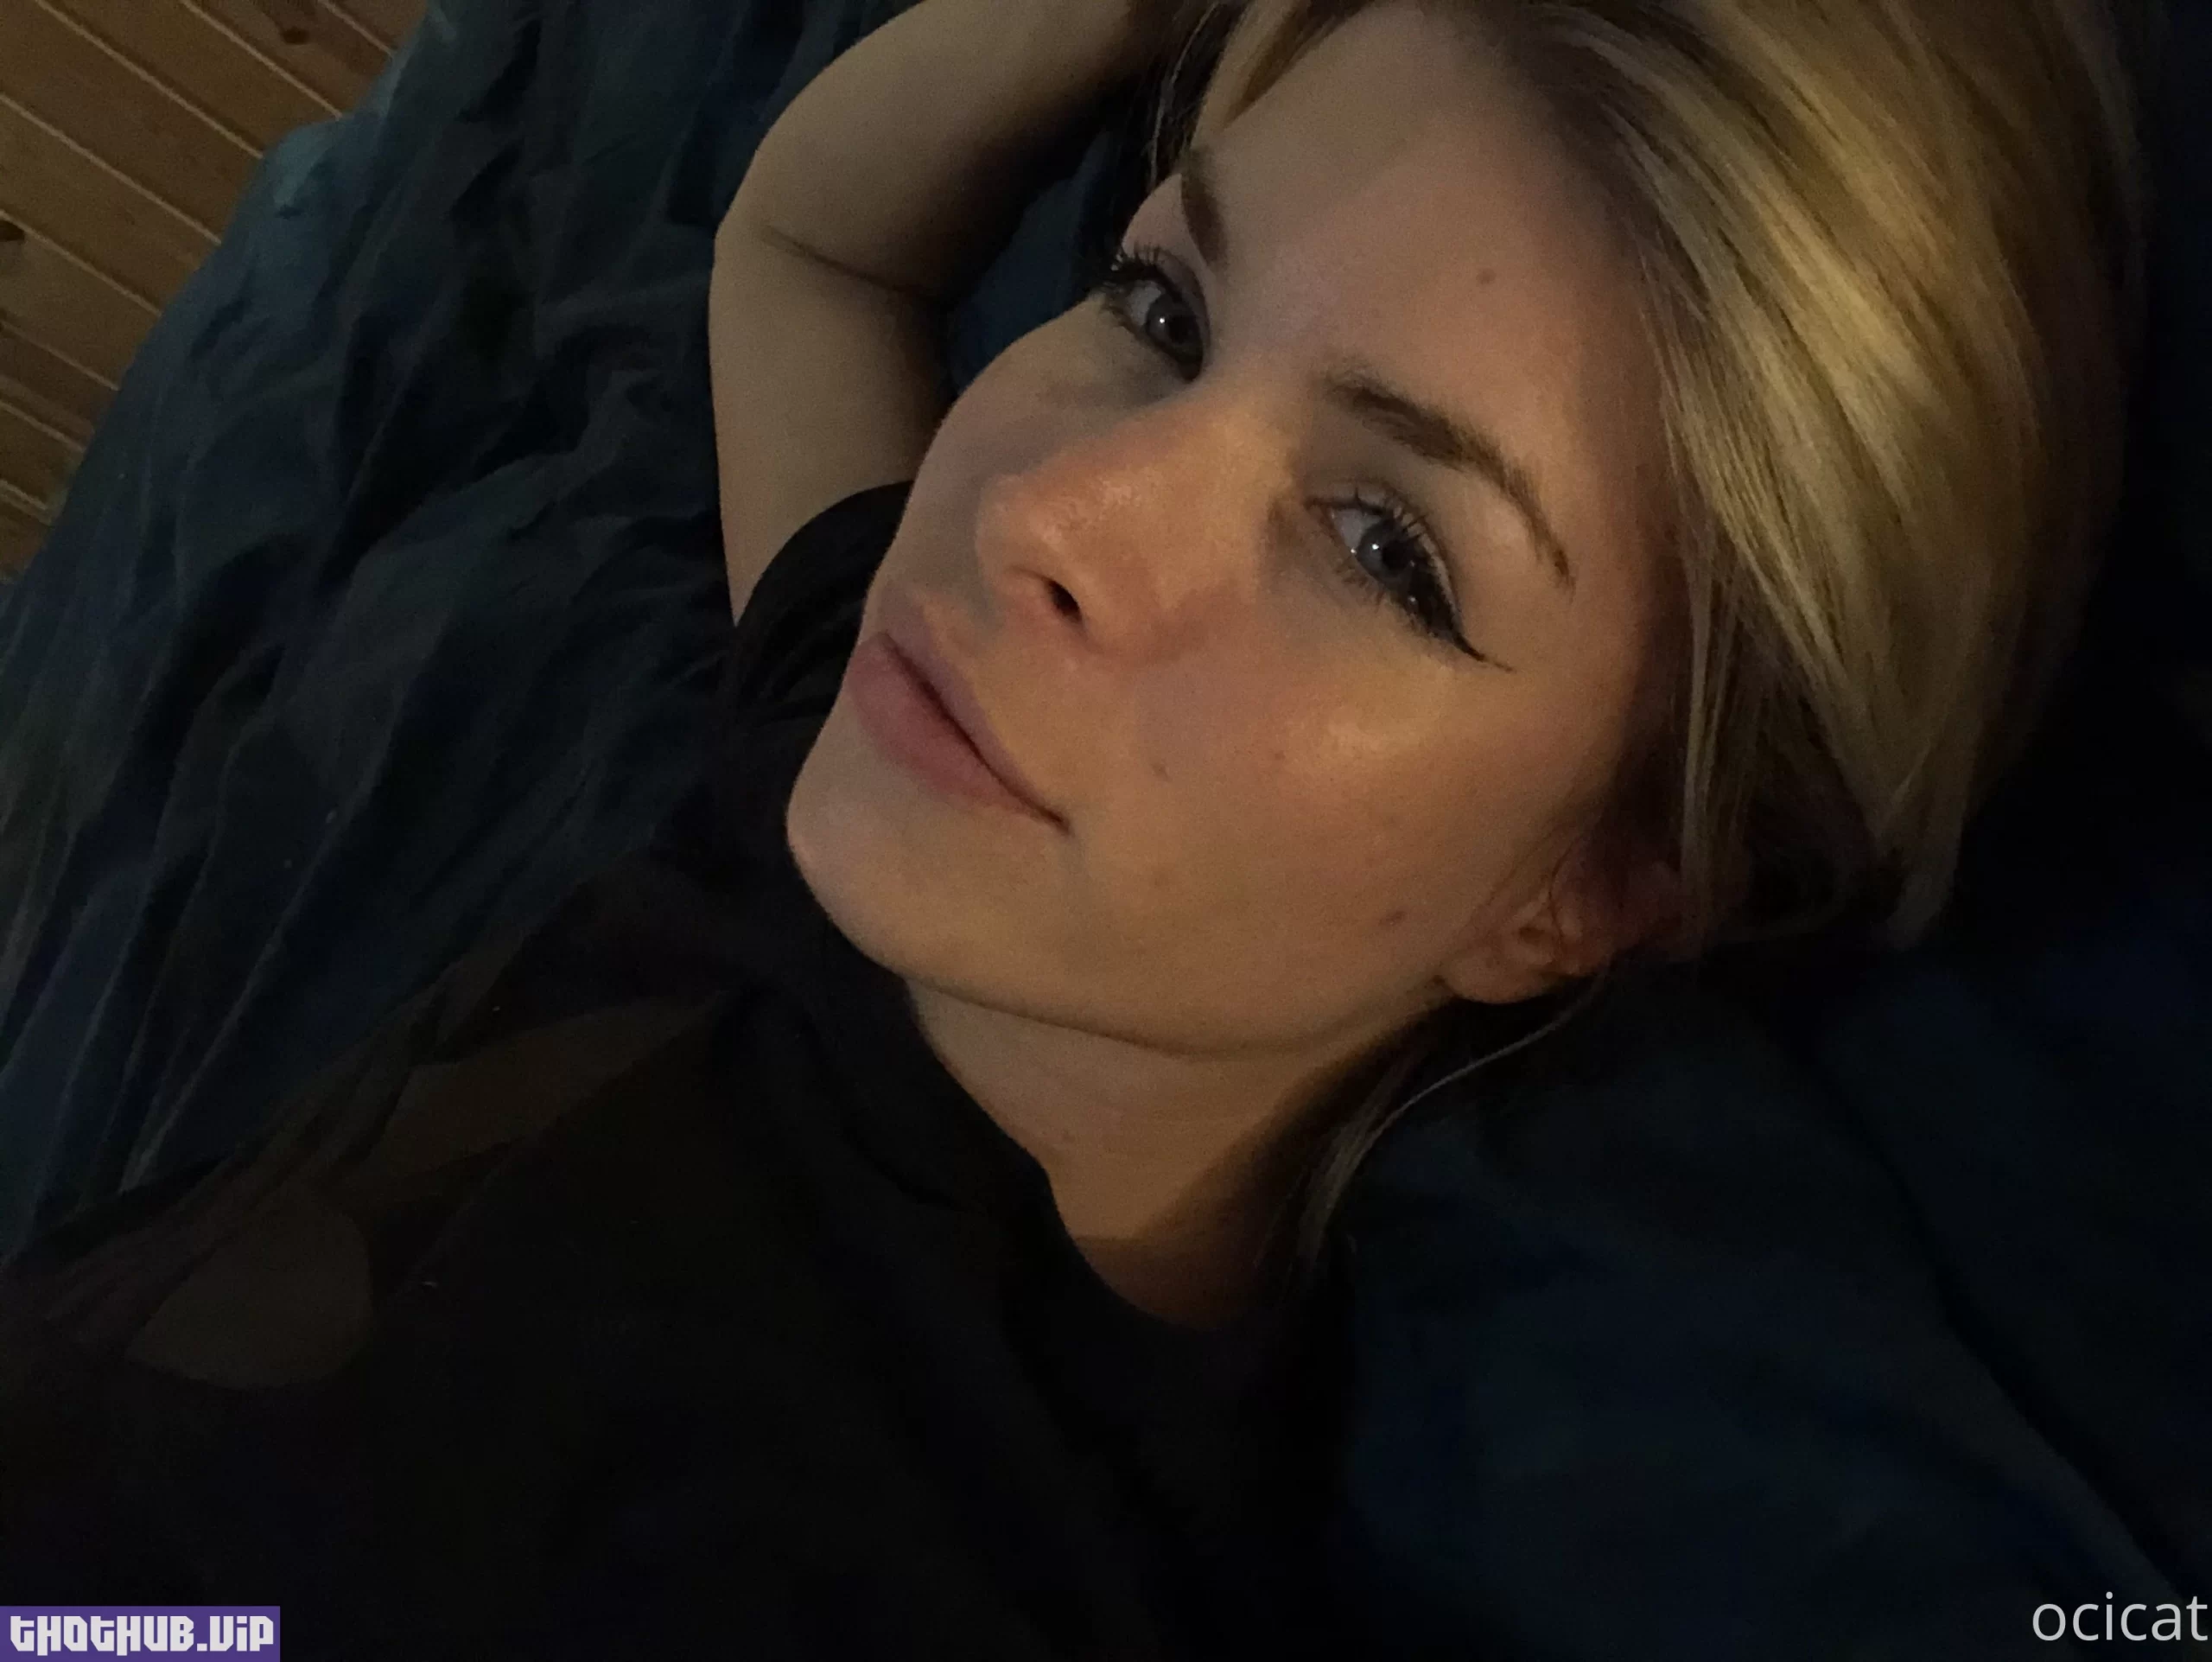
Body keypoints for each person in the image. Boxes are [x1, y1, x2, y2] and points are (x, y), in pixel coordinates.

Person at [0, 0, 2150, 1656]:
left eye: (1385, 549)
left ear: (1590, 890)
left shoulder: (887, 1559)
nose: (1041, 507)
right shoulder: (879, 767)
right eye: (1159, 308)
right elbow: (805, 252)